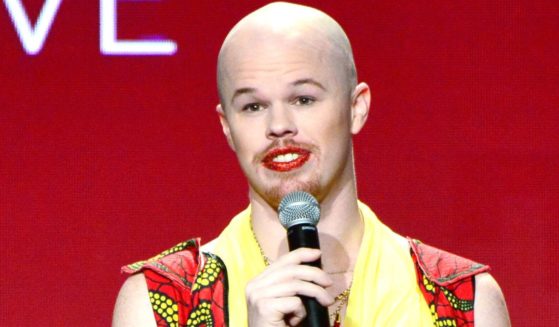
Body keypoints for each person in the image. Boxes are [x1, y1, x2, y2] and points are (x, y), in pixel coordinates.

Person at [112, 2, 510, 326]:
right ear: (227, 127)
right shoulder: (162, 302)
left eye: (303, 99)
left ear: (356, 108)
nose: (279, 126)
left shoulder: (461, 302)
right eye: (253, 106)